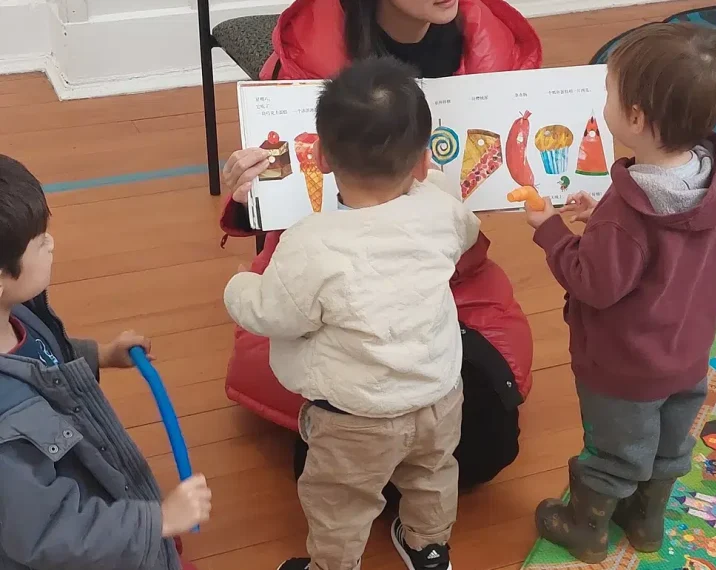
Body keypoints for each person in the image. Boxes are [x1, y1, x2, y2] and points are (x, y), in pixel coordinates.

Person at [219, 0, 540, 491]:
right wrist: (250, 197)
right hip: (334, 272)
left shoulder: (489, 48)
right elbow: (290, 232)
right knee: (354, 427)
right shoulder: (309, 55)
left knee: (484, 432)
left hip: (440, 272)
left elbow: (465, 241)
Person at [223, 57, 480, 570]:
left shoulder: (313, 242)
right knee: (432, 475)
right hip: (438, 395)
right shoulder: (443, 210)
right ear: (423, 161)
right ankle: (430, 548)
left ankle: (333, 566)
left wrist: (238, 286)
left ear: (320, 157)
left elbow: (273, 312)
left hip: (355, 417)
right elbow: (465, 235)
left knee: (340, 501)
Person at [524, 23, 716, 563]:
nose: (604, 104)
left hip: (625, 367)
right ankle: (645, 522)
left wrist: (551, 231)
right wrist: (602, 217)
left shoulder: (625, 217)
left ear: (637, 119)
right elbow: (667, 243)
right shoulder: (714, 178)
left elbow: (594, 283)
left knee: (614, 453)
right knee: (669, 444)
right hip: (687, 353)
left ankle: (586, 528)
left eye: (610, 94)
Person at [0, 155, 212, 570]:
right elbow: (49, 532)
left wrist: (101, 354)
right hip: (79, 545)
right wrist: (159, 521)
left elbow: (44, 362)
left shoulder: (16, 312)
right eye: (39, 241)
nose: (51, 244)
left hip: (96, 494)